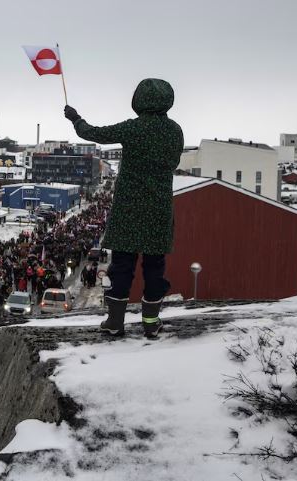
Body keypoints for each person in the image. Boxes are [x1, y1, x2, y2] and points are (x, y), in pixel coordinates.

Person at [65, 78, 183, 339]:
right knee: (155, 266)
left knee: (122, 265)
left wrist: (75, 118)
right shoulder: (175, 131)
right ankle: (151, 322)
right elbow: (174, 162)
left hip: (129, 205)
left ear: (139, 99)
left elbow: (92, 133)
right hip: (159, 206)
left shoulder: (133, 128)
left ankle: (115, 321)